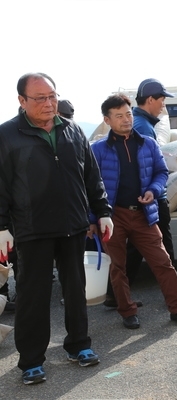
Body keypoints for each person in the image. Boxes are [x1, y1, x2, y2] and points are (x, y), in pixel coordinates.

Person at [0, 72, 113, 385]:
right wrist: (1, 227)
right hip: (31, 228)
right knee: (32, 296)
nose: (49, 103)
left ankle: (79, 345)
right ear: (22, 101)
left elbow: (92, 174)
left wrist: (102, 211)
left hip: (73, 225)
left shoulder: (73, 130)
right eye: (40, 98)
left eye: (52, 96)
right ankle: (32, 361)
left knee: (76, 290)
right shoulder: (7, 135)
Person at [90, 94, 177, 330]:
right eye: (119, 116)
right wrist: (91, 219)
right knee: (118, 267)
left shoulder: (148, 143)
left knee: (162, 261)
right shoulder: (97, 150)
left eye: (128, 114)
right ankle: (127, 311)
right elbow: (89, 187)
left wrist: (153, 191)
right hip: (112, 216)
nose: (126, 120)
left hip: (144, 213)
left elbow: (161, 172)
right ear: (107, 120)